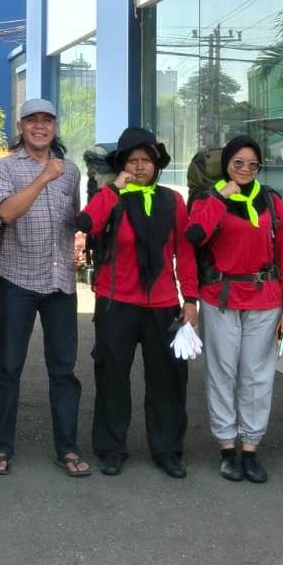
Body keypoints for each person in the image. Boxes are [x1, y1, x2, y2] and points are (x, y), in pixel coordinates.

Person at [75, 127, 198, 479]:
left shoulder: (172, 201)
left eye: (146, 160)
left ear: (156, 165)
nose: (140, 166)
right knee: (112, 377)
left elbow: (185, 252)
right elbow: (86, 222)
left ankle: (167, 450)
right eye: (132, 161)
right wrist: (115, 188)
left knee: (168, 381)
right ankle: (111, 448)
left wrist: (190, 299)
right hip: (116, 302)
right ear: (122, 165)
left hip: (163, 304)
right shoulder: (112, 197)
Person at [185, 135, 283, 483]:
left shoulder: (271, 200)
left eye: (253, 164)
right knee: (222, 373)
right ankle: (226, 447)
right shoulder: (208, 198)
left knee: (257, 374)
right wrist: (221, 197)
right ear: (226, 164)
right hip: (220, 297)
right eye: (238, 163)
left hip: (264, 297)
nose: (246, 169)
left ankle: (250, 447)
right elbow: (194, 236)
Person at [0, 99, 88, 477]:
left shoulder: (71, 171)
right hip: (18, 280)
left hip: (60, 283)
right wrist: (44, 177)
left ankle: (68, 449)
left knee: (64, 371)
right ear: (21, 127)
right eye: (32, 120)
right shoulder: (5, 167)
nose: (40, 126)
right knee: (9, 367)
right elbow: (6, 213)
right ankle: (1, 447)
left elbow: (73, 220)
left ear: (55, 127)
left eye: (47, 120)